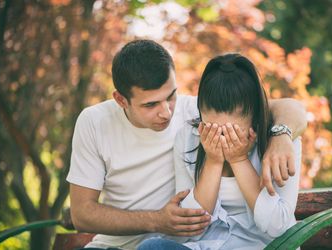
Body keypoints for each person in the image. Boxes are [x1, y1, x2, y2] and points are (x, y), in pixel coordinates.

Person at [67, 40, 306, 250]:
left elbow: (285, 107)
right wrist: (157, 220)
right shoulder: (97, 123)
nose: (166, 112)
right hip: (126, 244)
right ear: (121, 99)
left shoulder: (195, 112)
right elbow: (82, 214)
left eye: (171, 96)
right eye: (150, 105)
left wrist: (282, 135)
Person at [139, 53, 302, 249]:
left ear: (254, 118)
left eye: (232, 132)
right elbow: (191, 224)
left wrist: (239, 160)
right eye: (214, 130)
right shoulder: (189, 136)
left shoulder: (279, 144)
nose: (223, 139)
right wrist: (213, 161)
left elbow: (278, 226)